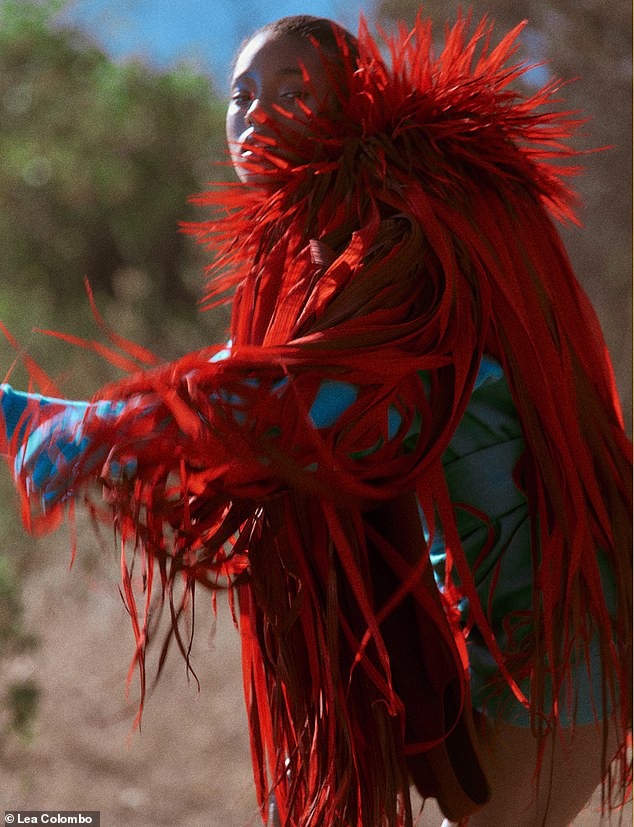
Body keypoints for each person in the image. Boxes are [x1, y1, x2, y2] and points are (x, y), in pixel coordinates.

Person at [0, 13, 631, 827]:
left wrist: (104, 438)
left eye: (294, 90)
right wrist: (60, 418)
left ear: (356, 101)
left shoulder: (415, 239)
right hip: (493, 626)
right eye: (241, 95)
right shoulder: (324, 252)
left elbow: (328, 403)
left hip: (564, 633)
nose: (256, 112)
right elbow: (246, 378)